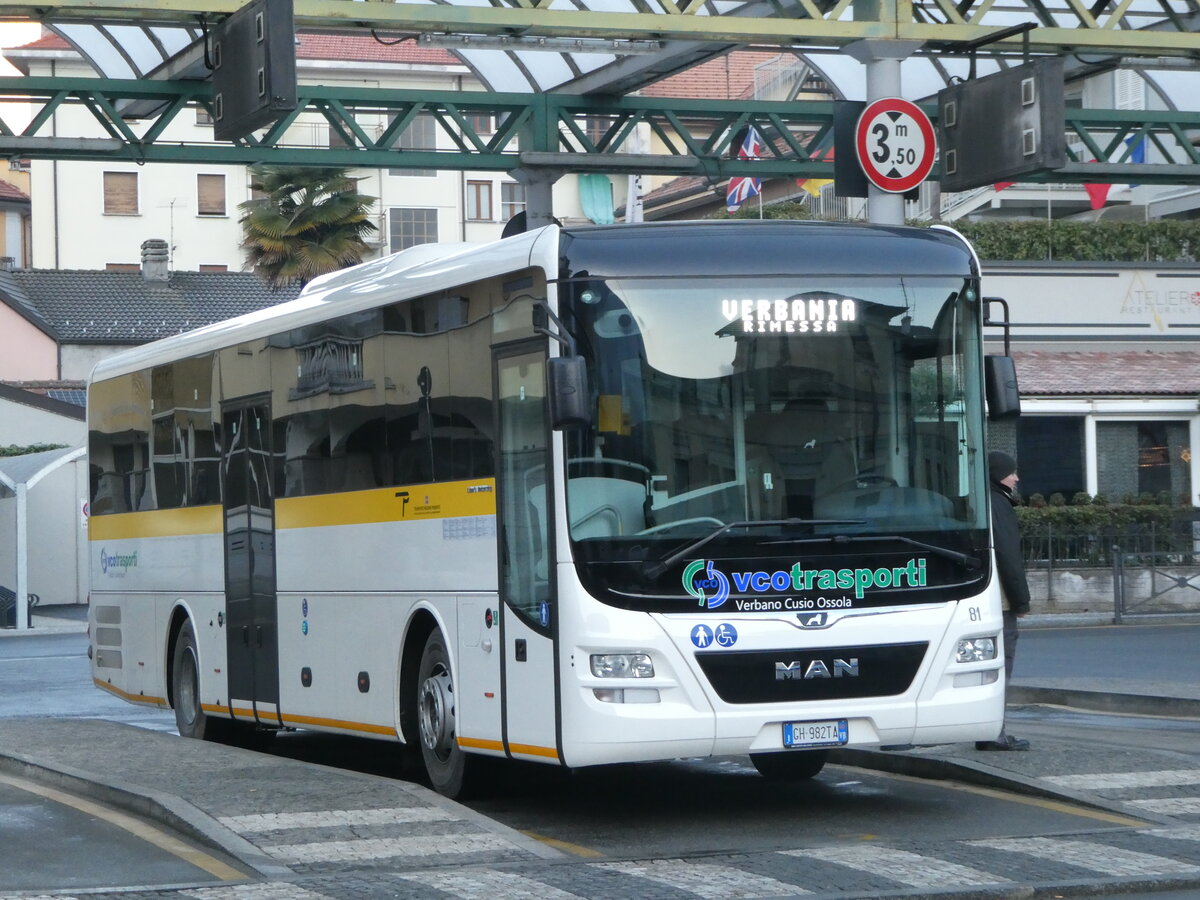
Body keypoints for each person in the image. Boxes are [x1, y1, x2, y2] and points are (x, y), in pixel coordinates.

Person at [977, 450, 1032, 752]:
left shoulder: (982, 501)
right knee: (1002, 666)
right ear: (999, 474)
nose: (1016, 478)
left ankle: (985, 729)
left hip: (984, 598)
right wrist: (1021, 601)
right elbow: (1009, 558)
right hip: (1001, 602)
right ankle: (994, 733)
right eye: (1012, 472)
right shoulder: (999, 504)